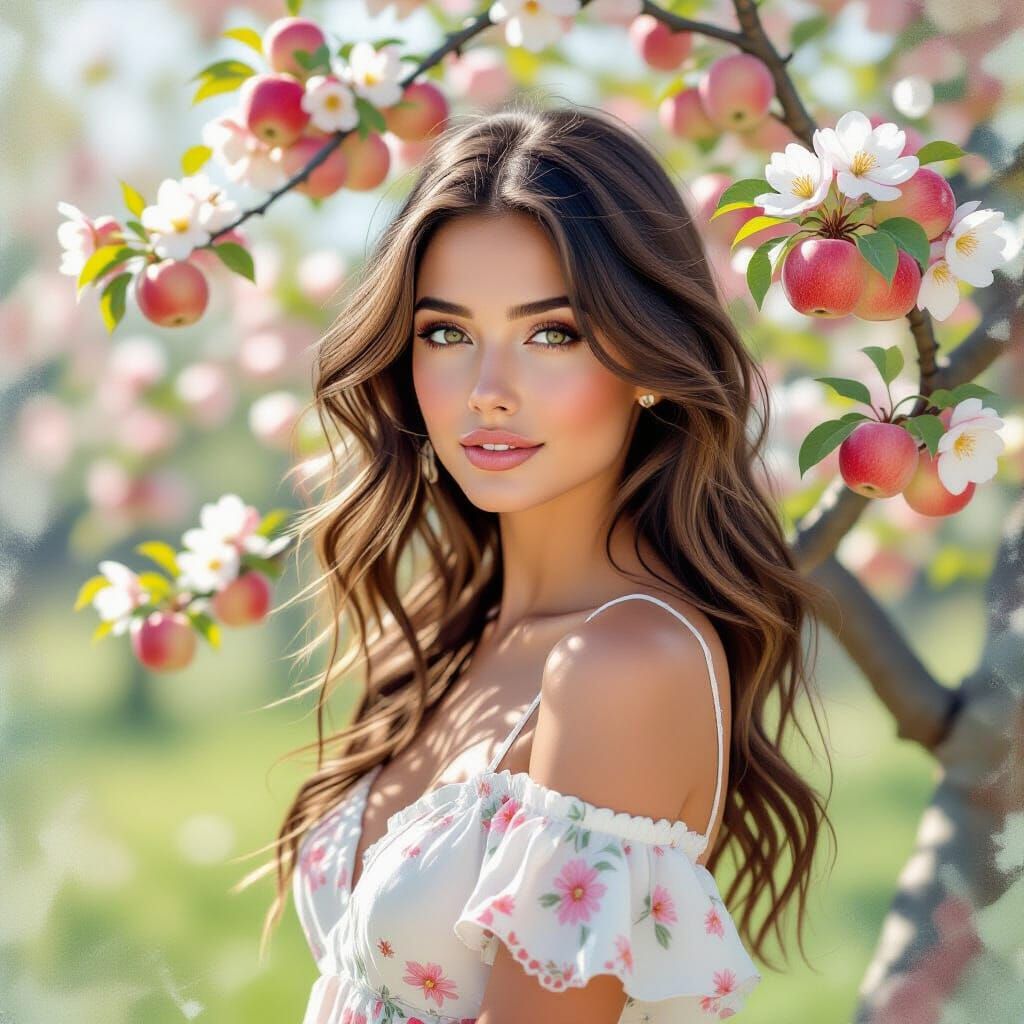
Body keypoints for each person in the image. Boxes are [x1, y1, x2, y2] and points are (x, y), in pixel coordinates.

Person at [243, 100, 834, 1023]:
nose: (487, 393)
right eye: (447, 333)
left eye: (551, 333)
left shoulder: (624, 665)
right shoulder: (454, 633)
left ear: (649, 357)